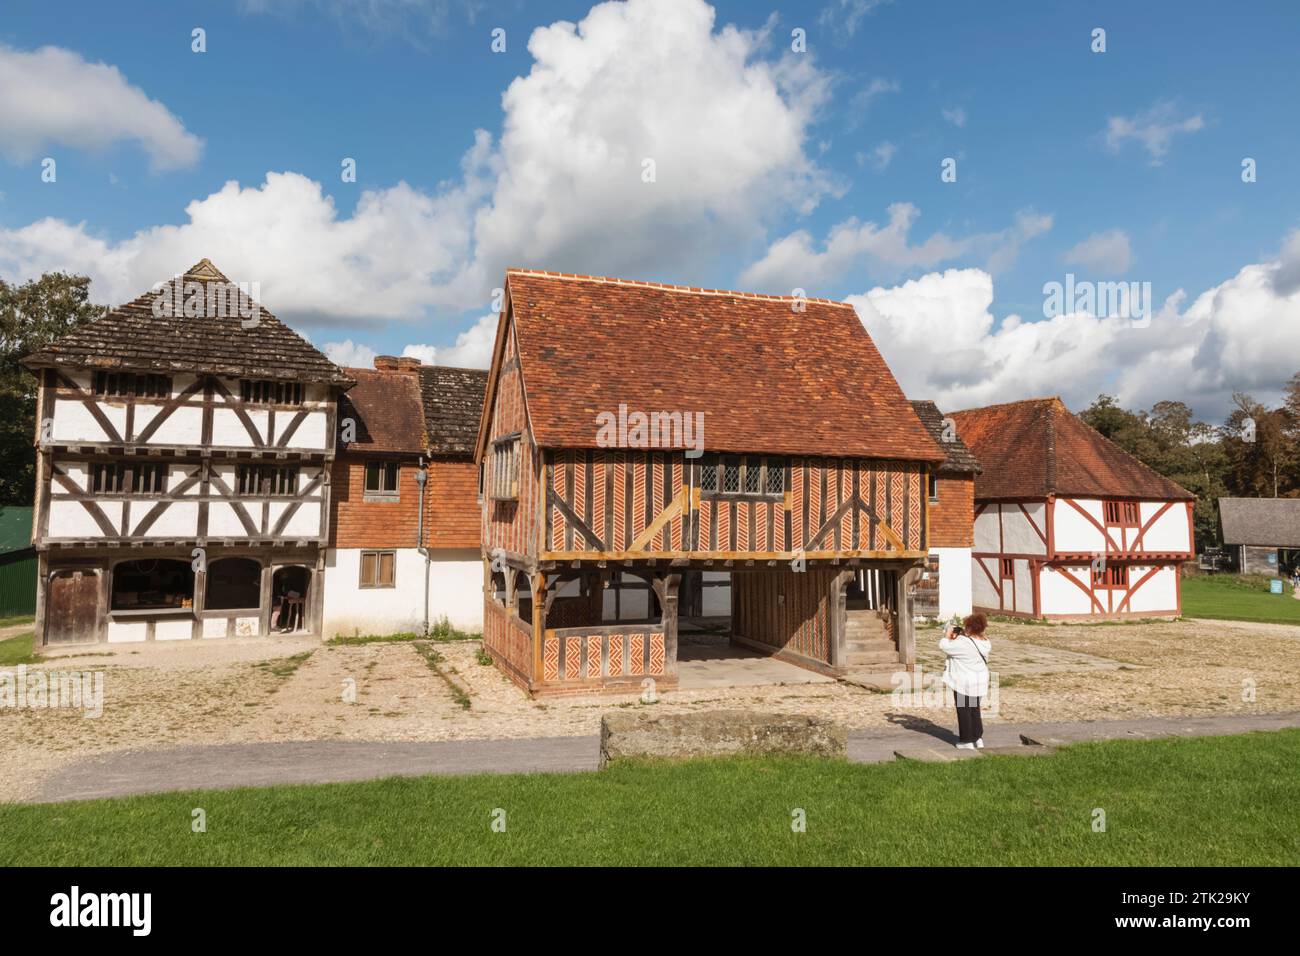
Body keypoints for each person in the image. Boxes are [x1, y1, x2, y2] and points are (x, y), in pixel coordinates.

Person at [939, 612, 991, 749]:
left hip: (964, 682)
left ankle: (967, 740)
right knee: (974, 709)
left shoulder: (963, 643)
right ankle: (978, 738)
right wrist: (961, 635)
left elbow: (944, 646)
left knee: (964, 710)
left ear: (969, 628)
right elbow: (970, 642)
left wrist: (947, 634)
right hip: (979, 681)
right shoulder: (985, 642)